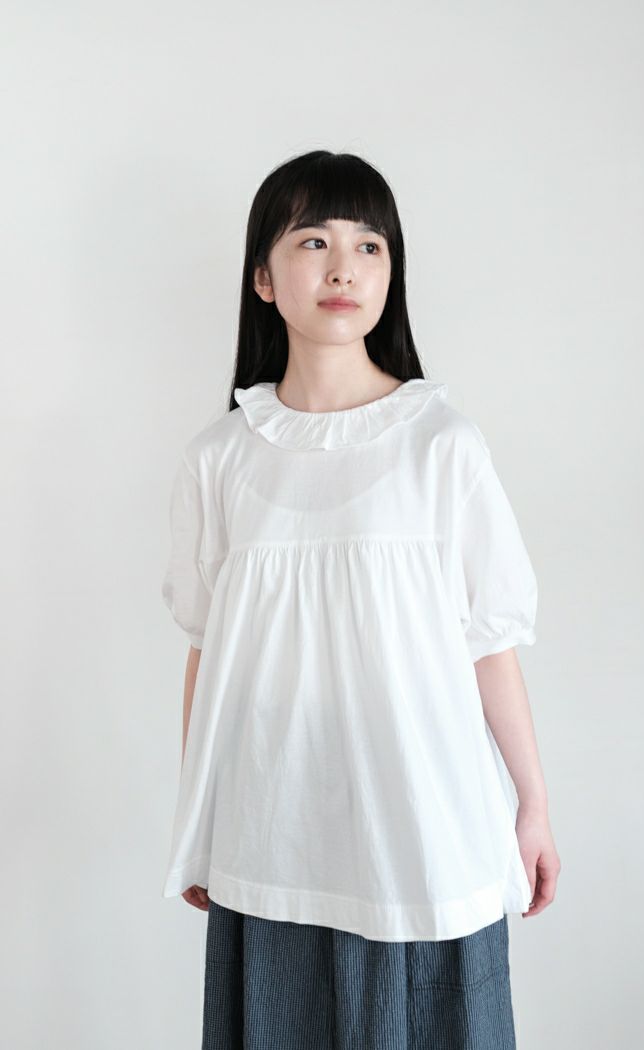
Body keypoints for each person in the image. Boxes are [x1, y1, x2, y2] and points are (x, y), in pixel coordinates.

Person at [160, 149, 561, 1050]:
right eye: (314, 241)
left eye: (369, 245)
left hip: (425, 834)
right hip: (274, 836)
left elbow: (488, 641)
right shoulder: (220, 459)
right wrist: (198, 821)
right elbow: (207, 650)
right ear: (264, 278)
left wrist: (532, 806)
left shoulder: (441, 445)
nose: (344, 266)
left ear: (391, 274)